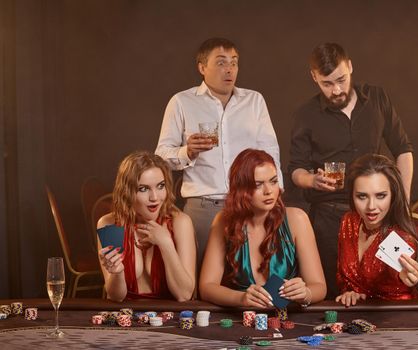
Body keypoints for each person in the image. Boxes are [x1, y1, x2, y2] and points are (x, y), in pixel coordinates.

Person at [289, 43, 414, 298]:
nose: (336, 90)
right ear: (314, 77)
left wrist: (403, 202)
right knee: (334, 295)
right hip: (329, 218)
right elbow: (294, 169)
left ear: (350, 66)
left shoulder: (377, 98)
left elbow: (403, 150)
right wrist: (312, 180)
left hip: (376, 213)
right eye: (326, 83)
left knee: (389, 288)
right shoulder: (305, 115)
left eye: (341, 80)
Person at [156, 38, 282, 266]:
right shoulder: (182, 102)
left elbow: (270, 152)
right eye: (221, 62)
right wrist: (188, 152)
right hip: (202, 207)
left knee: (247, 277)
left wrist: (276, 194)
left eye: (234, 63)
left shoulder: (254, 100)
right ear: (202, 67)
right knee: (199, 282)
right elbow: (161, 158)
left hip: (248, 206)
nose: (230, 69)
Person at [199, 149, 326, 307]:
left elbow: (319, 287)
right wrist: (241, 298)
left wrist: (306, 293)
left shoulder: (297, 219)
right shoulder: (224, 222)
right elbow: (206, 287)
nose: (269, 191)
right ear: (241, 189)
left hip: (287, 320)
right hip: (241, 319)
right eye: (258, 185)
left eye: (273, 181)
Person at [97, 151, 196, 301]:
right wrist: (117, 273)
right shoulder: (109, 225)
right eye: (143, 189)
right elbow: (115, 297)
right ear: (127, 192)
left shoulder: (180, 223)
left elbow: (184, 295)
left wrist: (166, 244)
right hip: (126, 317)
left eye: (160, 186)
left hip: (170, 319)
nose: (155, 198)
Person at [336, 154, 418, 306]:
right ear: (351, 196)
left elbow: (399, 275)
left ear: (393, 195)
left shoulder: (402, 238)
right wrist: (349, 292)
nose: (371, 206)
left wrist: (404, 279)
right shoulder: (349, 222)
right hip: (355, 318)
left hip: (395, 320)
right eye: (362, 196)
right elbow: (343, 278)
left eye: (381, 196)